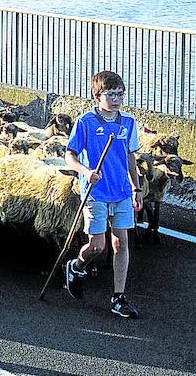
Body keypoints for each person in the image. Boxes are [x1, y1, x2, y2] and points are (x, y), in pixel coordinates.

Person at [63, 70, 141, 318]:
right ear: (97, 96)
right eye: (111, 94)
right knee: (98, 245)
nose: (117, 99)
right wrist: (85, 171)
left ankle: (119, 297)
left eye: (120, 94)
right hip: (96, 192)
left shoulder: (128, 123)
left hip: (121, 192)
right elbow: (70, 155)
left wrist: (136, 188)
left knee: (121, 243)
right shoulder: (85, 122)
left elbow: (130, 158)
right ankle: (76, 266)